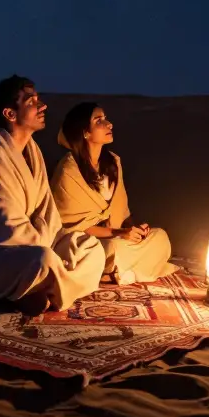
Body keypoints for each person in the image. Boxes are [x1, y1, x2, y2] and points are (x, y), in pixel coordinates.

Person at [0, 75, 106, 316]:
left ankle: (41, 290)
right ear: (10, 114)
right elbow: (11, 231)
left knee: (91, 247)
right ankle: (50, 286)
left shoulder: (32, 151)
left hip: (33, 242)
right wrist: (50, 248)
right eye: (31, 102)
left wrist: (51, 238)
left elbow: (48, 213)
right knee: (41, 260)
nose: (42, 106)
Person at [51, 102, 179, 285]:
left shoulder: (113, 162)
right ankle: (126, 271)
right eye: (99, 121)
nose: (109, 124)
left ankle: (116, 272)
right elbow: (71, 226)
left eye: (106, 118)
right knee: (109, 248)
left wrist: (134, 231)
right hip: (86, 242)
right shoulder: (68, 171)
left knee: (160, 237)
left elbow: (121, 209)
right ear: (85, 132)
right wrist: (118, 233)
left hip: (118, 238)